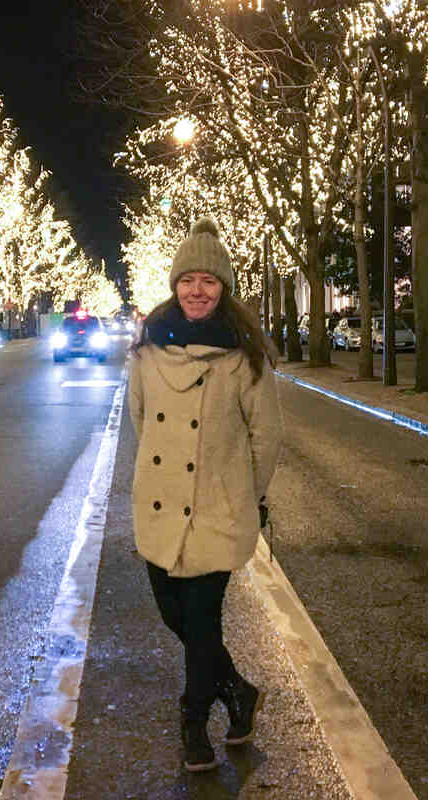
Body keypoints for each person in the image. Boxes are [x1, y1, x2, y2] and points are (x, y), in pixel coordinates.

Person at [127, 217, 283, 772]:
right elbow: (142, 422)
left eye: (209, 282)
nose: (197, 291)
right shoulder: (147, 349)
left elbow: (267, 436)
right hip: (160, 506)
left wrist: (245, 493)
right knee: (177, 617)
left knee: (201, 624)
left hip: (218, 508)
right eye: (188, 279)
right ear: (174, 285)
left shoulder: (246, 355)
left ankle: (194, 721)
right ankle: (238, 690)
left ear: (225, 288)